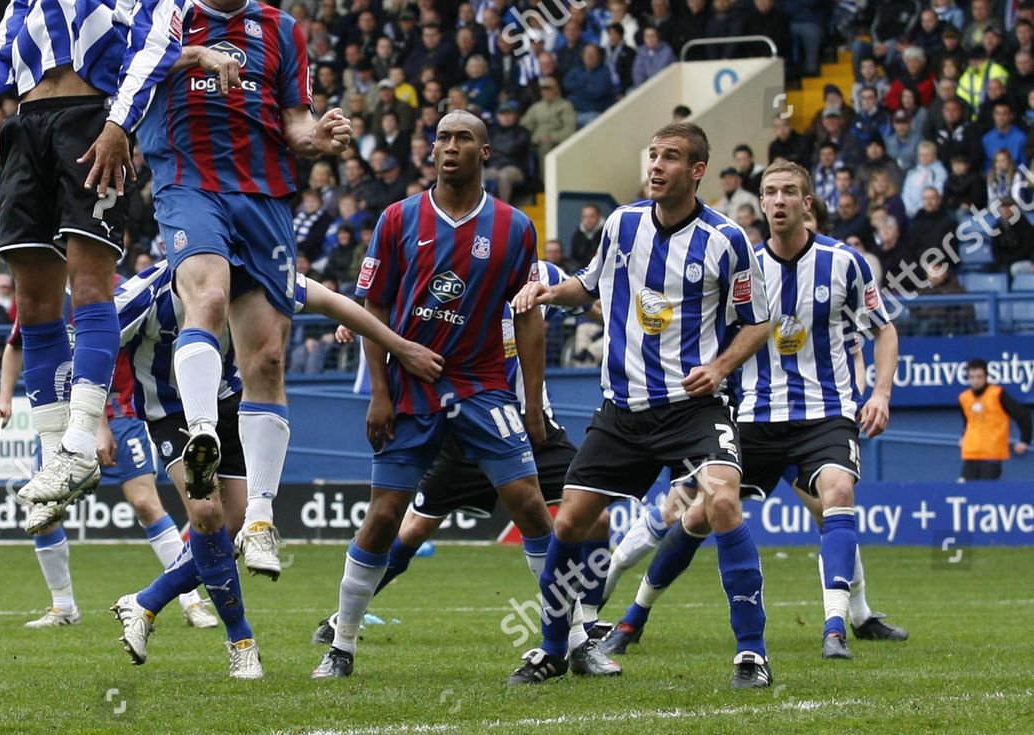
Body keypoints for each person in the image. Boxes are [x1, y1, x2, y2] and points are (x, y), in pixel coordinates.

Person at [0, 0, 189, 534]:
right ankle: (56, 458)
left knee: (89, 286)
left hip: (92, 122)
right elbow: (4, 38)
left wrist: (119, 125)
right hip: (26, 126)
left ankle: (83, 438)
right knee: (32, 301)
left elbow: (153, 53)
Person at [508, 122, 774, 689]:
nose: (656, 165)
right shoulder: (622, 224)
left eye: (670, 157)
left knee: (723, 501)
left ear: (697, 170)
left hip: (694, 408)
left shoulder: (727, 240)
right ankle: (553, 649)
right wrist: (552, 292)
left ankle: (751, 653)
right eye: (652, 155)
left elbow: (758, 322)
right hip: (623, 410)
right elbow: (588, 285)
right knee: (571, 520)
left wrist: (721, 367)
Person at [602, 160, 900, 661]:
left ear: (807, 202)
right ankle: (632, 615)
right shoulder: (742, 265)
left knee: (838, 495)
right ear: (760, 202)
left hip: (823, 415)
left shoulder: (844, 262)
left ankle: (838, 627)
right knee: (694, 512)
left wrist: (880, 394)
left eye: (789, 192)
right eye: (770, 192)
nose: (779, 200)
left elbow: (884, 329)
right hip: (751, 418)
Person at [100, 258, 442, 680]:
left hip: (230, 404)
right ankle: (241, 642)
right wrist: (96, 424)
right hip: (172, 414)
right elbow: (93, 344)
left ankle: (145, 602)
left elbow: (331, 301)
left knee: (230, 528)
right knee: (205, 514)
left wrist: (400, 347)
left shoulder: (249, 275)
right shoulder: (145, 292)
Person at [138, 0, 349, 580]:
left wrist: (319, 137)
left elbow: (295, 123)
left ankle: (259, 518)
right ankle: (202, 435)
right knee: (206, 295)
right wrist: (193, 55)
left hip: (264, 197)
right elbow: (128, 77)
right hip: (189, 183)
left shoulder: (282, 30)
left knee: (268, 359)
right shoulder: (164, 15)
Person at [313, 110, 553, 682]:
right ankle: (342, 645)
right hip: (410, 390)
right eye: (442, 137)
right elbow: (373, 308)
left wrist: (532, 403)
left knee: (529, 505)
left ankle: (562, 638)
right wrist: (378, 393)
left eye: (462, 138)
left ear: (484, 152)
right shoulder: (398, 218)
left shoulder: (515, 227)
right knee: (384, 516)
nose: (449, 146)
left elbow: (528, 318)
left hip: (483, 386)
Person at [311, 260, 618, 659]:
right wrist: (357, 323)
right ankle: (344, 617)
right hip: (468, 429)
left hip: (532, 428)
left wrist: (626, 321)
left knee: (597, 519)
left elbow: (588, 303)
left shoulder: (544, 276)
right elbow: (396, 303)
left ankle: (586, 620)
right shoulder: (461, 279)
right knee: (411, 530)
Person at [0, 311, 217, 633]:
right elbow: (15, 345)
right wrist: (4, 400)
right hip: (62, 419)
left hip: (120, 415)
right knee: (43, 511)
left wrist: (101, 426)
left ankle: (192, 601)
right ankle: (63, 607)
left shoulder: (115, 296)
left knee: (145, 503)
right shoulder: (44, 294)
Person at [957, 358, 1032, 481]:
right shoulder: (964, 398)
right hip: (970, 453)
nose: (975, 381)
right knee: (965, 489)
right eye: (972, 377)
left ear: (986, 377)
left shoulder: (997, 394)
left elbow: (1023, 415)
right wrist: (963, 436)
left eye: (979, 377)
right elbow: (968, 421)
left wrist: (1025, 440)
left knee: (986, 490)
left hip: (991, 454)